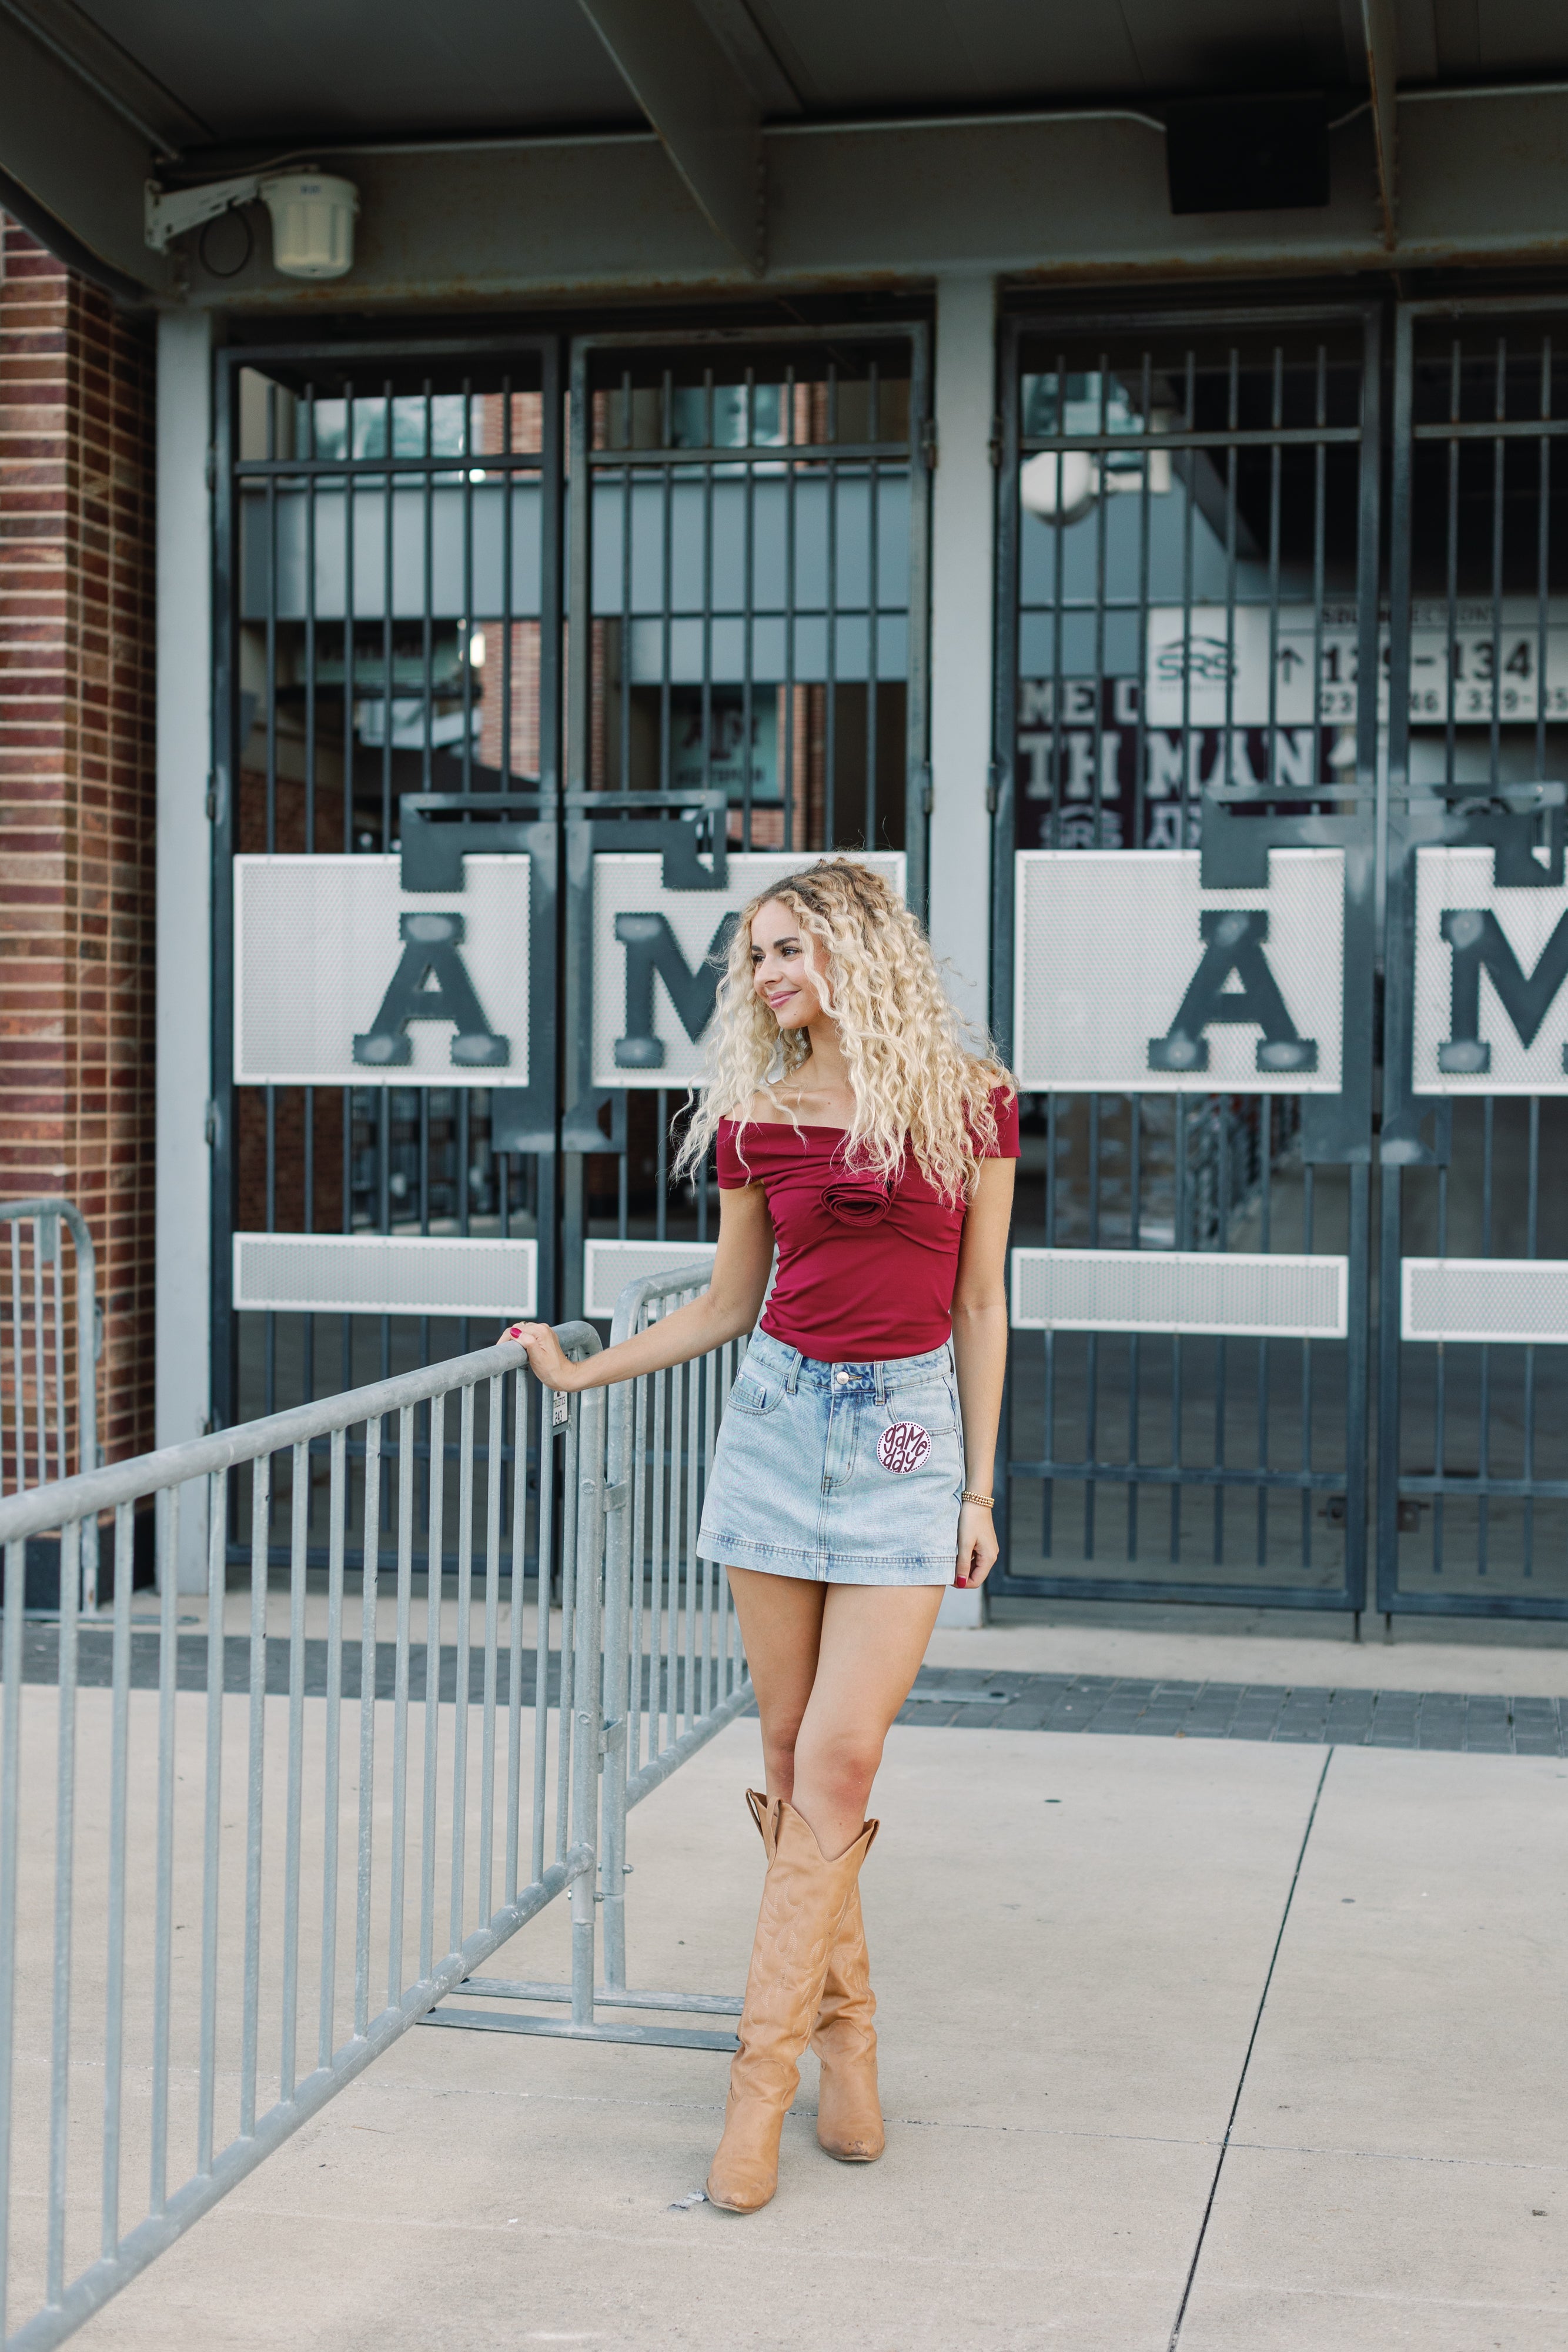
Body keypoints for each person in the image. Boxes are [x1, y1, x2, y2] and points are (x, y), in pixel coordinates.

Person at [501, 857, 1017, 2215]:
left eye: (788, 947)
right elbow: (730, 1304)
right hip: (777, 1427)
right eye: (757, 959)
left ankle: (757, 2086)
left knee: (840, 1756)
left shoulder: (972, 1106)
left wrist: (974, 1490)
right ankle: (847, 2045)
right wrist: (579, 1369)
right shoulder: (753, 1121)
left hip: (908, 1441)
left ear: (854, 947)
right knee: (789, 1756)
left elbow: (979, 1306)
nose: (769, 975)